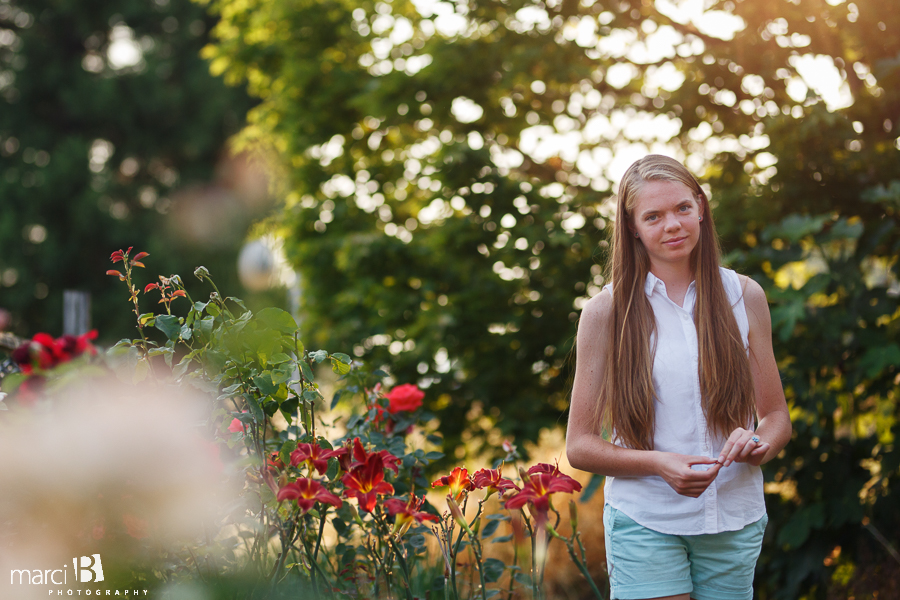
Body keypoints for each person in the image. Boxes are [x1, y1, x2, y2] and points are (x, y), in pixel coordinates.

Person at [565, 155, 791, 600]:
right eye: (653, 216)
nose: (672, 224)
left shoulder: (744, 295)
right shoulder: (606, 312)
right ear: (632, 226)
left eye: (682, 208)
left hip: (733, 517)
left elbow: (777, 416)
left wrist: (758, 445)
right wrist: (658, 463)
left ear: (701, 208)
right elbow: (580, 445)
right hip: (645, 518)